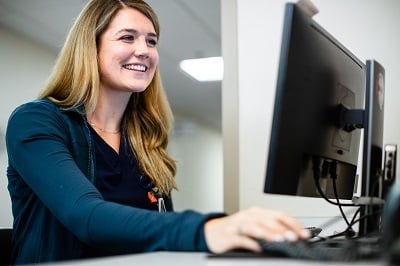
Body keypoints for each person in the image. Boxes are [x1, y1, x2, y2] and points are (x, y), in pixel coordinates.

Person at [5, 0, 310, 264]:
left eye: (151, 41)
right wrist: (208, 229)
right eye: (128, 37)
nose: (144, 50)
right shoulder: (36, 121)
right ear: (90, 46)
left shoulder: (143, 138)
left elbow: (157, 229)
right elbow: (86, 216)